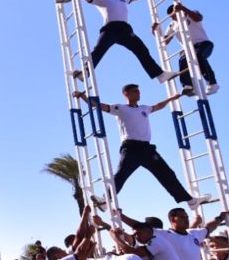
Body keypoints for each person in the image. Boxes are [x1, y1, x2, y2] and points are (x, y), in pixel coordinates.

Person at [80, 84, 209, 210]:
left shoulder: (144, 108)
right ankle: (105, 200)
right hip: (131, 148)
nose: (139, 93)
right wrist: (84, 97)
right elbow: (100, 106)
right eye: (135, 91)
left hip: (147, 149)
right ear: (127, 94)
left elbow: (158, 106)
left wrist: (172, 98)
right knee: (121, 174)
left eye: (139, 91)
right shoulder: (120, 108)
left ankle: (191, 201)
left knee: (167, 174)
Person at [76, 0, 180, 83]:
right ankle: (85, 72)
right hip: (110, 28)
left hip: (124, 29)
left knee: (142, 49)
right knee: (98, 50)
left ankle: (160, 75)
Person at [156, 3, 219, 96]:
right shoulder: (172, 25)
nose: (174, 18)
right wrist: (156, 31)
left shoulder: (191, 13)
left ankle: (212, 83)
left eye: (174, 15)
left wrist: (182, 8)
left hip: (203, 43)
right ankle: (188, 85)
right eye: (171, 17)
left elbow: (198, 18)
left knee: (198, 55)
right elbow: (165, 41)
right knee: (182, 60)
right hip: (188, 49)